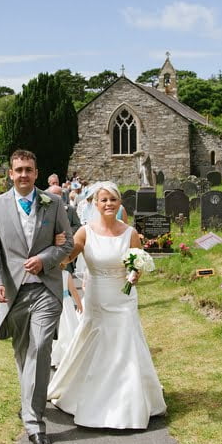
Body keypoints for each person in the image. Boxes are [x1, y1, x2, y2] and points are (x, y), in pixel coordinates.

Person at [47, 181, 166, 429]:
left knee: (125, 344)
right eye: (104, 200)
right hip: (97, 298)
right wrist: (57, 250)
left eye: (113, 199)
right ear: (95, 204)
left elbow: (137, 262)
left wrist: (135, 275)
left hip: (124, 298)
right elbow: (67, 258)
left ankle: (128, 403)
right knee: (97, 342)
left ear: (119, 203)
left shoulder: (130, 233)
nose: (109, 204)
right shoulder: (85, 232)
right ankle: (92, 398)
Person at [0, 150, 75, 444]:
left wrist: (45, 258)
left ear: (36, 173)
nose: (23, 174)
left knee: (40, 347)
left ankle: (34, 423)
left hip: (46, 289)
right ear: (10, 173)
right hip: (13, 292)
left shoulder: (54, 203)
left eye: (28, 170)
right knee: (23, 353)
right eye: (18, 169)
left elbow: (68, 243)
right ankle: (29, 402)